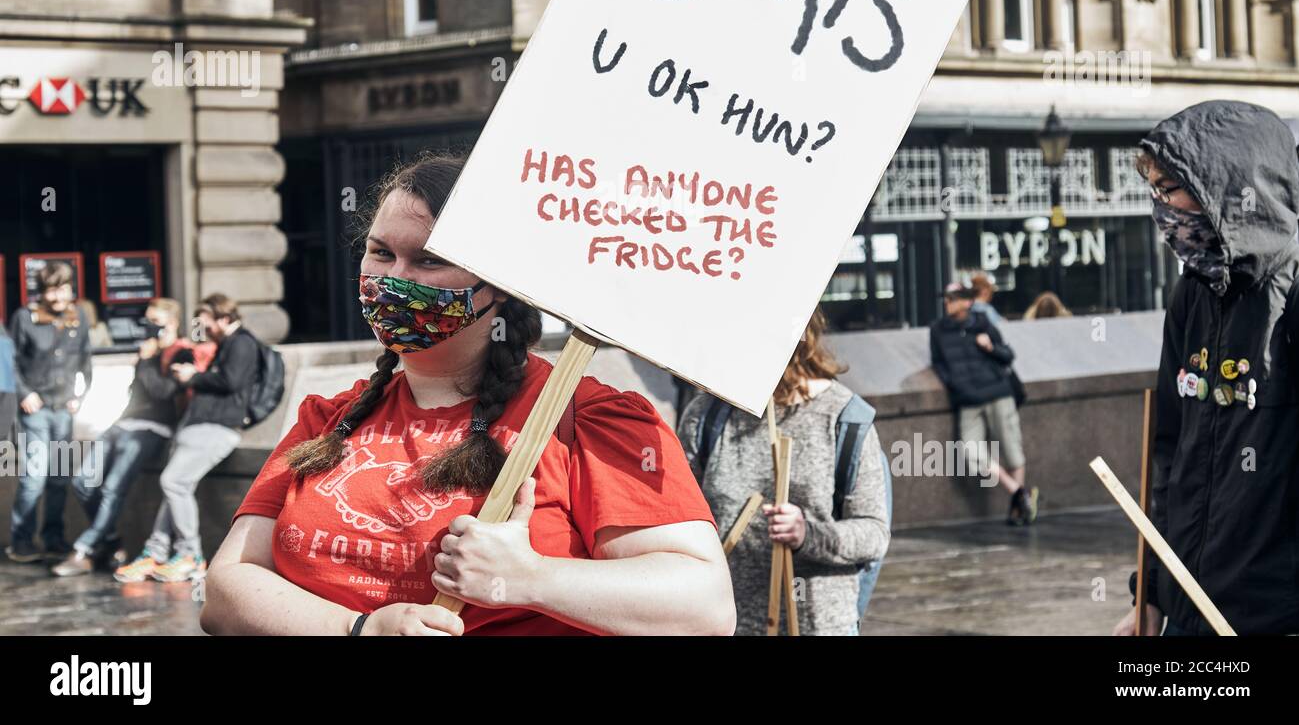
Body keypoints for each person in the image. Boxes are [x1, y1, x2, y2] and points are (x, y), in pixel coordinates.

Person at [199, 153, 733, 636]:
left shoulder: (585, 418)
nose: (394, 278)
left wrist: (533, 579)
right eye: (380, 253)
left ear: (498, 283)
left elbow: (704, 610)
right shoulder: (327, 419)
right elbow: (225, 590)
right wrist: (359, 629)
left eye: (429, 261)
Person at [1115, 100, 1299, 636]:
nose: (1161, 209)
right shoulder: (1192, 292)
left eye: (1170, 189)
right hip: (1186, 615)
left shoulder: (1292, 294)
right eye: (1154, 191)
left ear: (1228, 187)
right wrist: (1149, 592)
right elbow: (1168, 453)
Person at [678, 307, 890, 635]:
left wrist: (808, 534)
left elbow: (874, 534)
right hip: (726, 623)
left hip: (818, 624)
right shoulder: (705, 415)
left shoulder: (844, 418)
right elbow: (676, 519)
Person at [52, 299, 215, 576]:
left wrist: (149, 359)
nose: (150, 328)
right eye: (147, 321)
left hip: (152, 429)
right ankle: (111, 540)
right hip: (122, 423)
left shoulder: (182, 353)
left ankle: (86, 548)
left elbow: (163, 392)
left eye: (157, 322)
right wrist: (145, 358)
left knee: (113, 487)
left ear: (172, 323)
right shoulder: (147, 352)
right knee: (82, 481)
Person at [114, 294, 257, 583]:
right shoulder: (222, 345)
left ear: (224, 319)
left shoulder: (242, 342)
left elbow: (232, 382)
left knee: (174, 482)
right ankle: (155, 551)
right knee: (177, 485)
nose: (202, 329)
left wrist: (192, 376)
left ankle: (191, 555)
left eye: (206, 322)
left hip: (217, 427)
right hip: (197, 425)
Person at [930, 280, 1039, 525]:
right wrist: (954, 384)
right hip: (967, 399)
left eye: (953, 298)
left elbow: (1007, 355)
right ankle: (1018, 492)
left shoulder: (983, 323)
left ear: (968, 301)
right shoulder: (937, 330)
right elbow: (938, 363)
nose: (947, 303)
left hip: (998, 393)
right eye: (946, 299)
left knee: (1012, 450)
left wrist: (989, 347)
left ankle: (1019, 510)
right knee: (970, 453)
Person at [5, 263, 92, 563]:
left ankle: (54, 538)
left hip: (63, 408)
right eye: (51, 290)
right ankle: (21, 541)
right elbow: (8, 360)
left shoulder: (78, 316)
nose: (57, 296)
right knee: (34, 476)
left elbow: (84, 358)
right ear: (42, 292)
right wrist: (24, 392)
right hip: (35, 408)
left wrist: (79, 395)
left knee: (59, 476)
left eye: (63, 288)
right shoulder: (23, 318)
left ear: (71, 289)